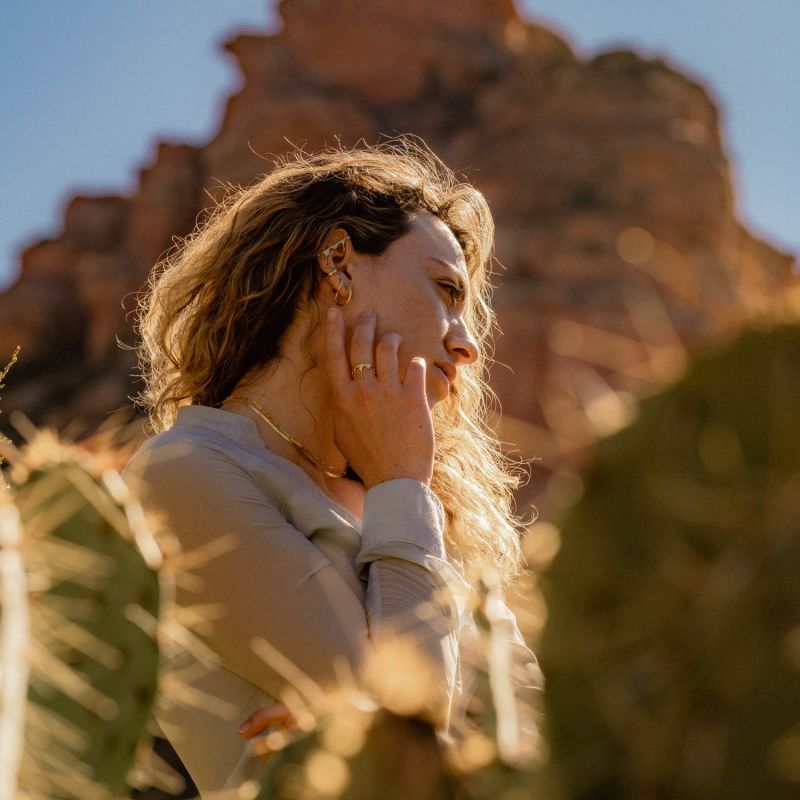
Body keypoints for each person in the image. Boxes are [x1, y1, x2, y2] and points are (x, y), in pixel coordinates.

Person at [123, 138, 542, 798]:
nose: (466, 344)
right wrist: (401, 484)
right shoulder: (187, 474)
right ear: (338, 263)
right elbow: (407, 757)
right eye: (444, 290)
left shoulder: (438, 516)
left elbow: (541, 743)